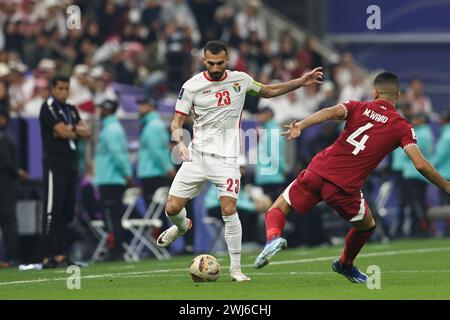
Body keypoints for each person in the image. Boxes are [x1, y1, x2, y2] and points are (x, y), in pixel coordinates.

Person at [254, 72, 450, 283]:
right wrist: (446, 186)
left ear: (375, 92)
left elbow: (330, 112)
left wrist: (301, 125)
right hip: (344, 188)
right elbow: (420, 163)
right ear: (399, 95)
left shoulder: (357, 106)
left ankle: (273, 237)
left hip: (317, 170)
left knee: (278, 207)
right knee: (367, 226)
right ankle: (345, 263)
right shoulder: (403, 127)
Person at [155, 40, 323, 282]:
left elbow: (267, 90)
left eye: (219, 63)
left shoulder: (241, 80)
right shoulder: (191, 86)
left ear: (228, 59)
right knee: (172, 208)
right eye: (210, 63)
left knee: (229, 209)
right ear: (204, 61)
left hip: (227, 158)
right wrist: (179, 143)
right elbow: (176, 122)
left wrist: (301, 81)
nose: (215, 67)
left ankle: (235, 269)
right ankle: (182, 227)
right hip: (197, 156)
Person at [39, 75, 91, 268]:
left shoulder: (71, 109)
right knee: (52, 210)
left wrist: (70, 129)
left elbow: (87, 131)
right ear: (52, 89)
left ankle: (61, 253)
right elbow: (62, 132)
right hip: (55, 164)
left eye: (66, 88)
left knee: (67, 211)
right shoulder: (49, 107)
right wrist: (71, 130)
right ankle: (48, 255)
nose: (63, 92)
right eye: (60, 88)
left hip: (70, 164)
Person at [94, 99, 132, 260]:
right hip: (112, 179)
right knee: (115, 216)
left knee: (111, 217)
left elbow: (117, 154)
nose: (100, 112)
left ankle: (115, 250)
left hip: (111, 179)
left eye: (102, 109)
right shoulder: (112, 128)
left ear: (108, 110)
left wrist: (126, 173)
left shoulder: (110, 129)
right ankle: (117, 249)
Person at [0, 109, 28, 267]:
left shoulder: (5, 138)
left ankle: (10, 257)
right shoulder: (7, 137)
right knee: (8, 221)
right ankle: (9, 257)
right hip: (6, 185)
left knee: (8, 221)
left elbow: (6, 163)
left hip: (6, 186)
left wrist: (17, 171)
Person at [137, 97, 175, 207]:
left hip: (154, 174)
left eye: (143, 105)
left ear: (151, 106)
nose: (139, 108)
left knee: (155, 213)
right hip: (152, 172)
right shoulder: (151, 124)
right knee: (156, 212)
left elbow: (158, 150)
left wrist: (168, 168)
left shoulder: (153, 126)